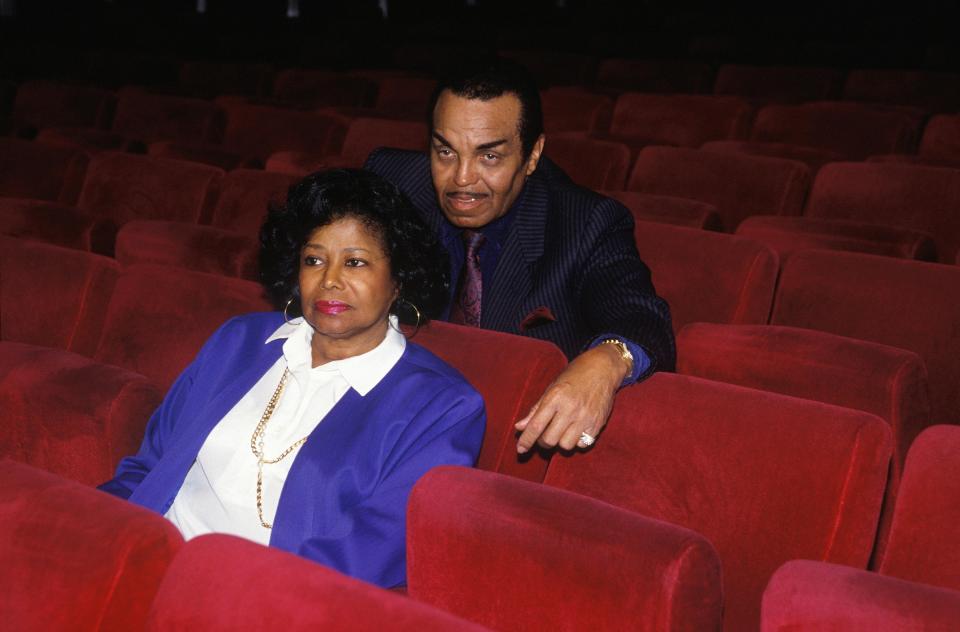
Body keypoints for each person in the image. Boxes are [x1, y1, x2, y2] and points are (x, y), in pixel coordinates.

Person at [98, 169, 486, 589]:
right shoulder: (239, 340)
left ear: (398, 281)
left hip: (266, 600)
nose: (330, 280)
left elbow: (367, 558)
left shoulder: (443, 407)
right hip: (148, 563)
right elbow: (148, 467)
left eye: (355, 262)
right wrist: (93, 532)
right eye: (314, 259)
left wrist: (222, 594)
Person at [365, 57, 674, 456]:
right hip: (387, 419)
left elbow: (641, 317)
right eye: (445, 152)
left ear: (532, 155)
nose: (461, 178)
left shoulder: (584, 224)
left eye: (489, 157)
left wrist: (607, 361)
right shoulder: (392, 184)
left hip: (503, 443)